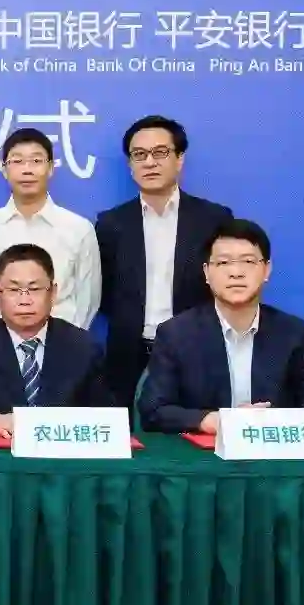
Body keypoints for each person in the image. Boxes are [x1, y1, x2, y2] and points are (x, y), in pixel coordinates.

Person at [138, 219, 304, 434]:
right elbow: (153, 410)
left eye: (248, 261)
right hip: (206, 452)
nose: (236, 272)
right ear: (207, 273)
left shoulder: (295, 334)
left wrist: (275, 421)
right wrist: (211, 420)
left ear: (266, 270)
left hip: (273, 449)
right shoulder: (176, 334)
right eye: (223, 262)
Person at [96, 116, 232, 410]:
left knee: (195, 430)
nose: (149, 162)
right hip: (129, 355)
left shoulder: (213, 219)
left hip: (196, 351)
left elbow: (223, 286)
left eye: (160, 152)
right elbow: (104, 293)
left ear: (179, 159)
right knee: (129, 432)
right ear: (130, 164)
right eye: (139, 155)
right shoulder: (111, 223)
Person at [0, 243, 111, 435]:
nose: (24, 300)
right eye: (13, 290)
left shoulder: (84, 348)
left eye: (34, 289)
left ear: (53, 293)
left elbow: (108, 418)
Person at [0, 128, 100, 328]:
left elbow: (88, 301)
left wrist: (70, 341)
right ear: (4, 170)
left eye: (36, 160)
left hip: (60, 341)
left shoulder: (79, 229)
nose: (27, 169)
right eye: (17, 161)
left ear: (51, 168)